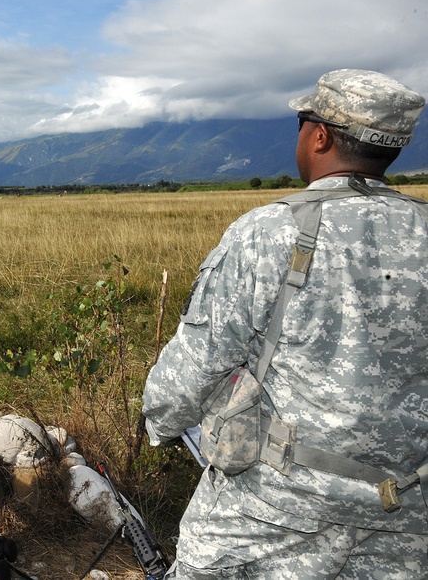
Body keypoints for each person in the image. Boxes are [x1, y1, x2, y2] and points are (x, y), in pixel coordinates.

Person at [142, 69, 428, 578]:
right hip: (406, 512)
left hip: (271, 507)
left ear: (319, 136)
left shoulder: (268, 231)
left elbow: (195, 366)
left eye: (302, 122)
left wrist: (159, 422)